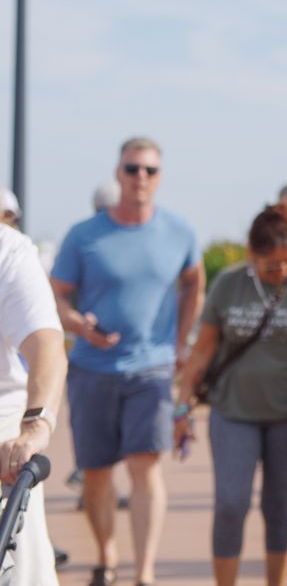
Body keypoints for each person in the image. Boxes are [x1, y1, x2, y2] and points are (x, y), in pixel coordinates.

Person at [50, 136, 204, 586]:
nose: (140, 177)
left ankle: (145, 572)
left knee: (145, 466)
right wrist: (78, 324)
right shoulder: (85, 235)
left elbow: (194, 281)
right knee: (96, 473)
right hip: (92, 369)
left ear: (160, 177)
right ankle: (106, 558)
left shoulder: (180, 231)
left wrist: (181, 344)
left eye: (150, 170)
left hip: (152, 370)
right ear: (118, 173)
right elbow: (55, 296)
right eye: (132, 168)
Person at [174, 205, 287, 586]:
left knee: (280, 508)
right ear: (251, 255)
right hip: (233, 413)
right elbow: (204, 350)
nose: (282, 273)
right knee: (231, 503)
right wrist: (182, 406)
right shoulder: (229, 284)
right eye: (271, 266)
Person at [1, 211, 68, 586]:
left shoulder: (7, 250)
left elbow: (45, 343)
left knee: (21, 568)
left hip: (3, 432)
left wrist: (36, 426)